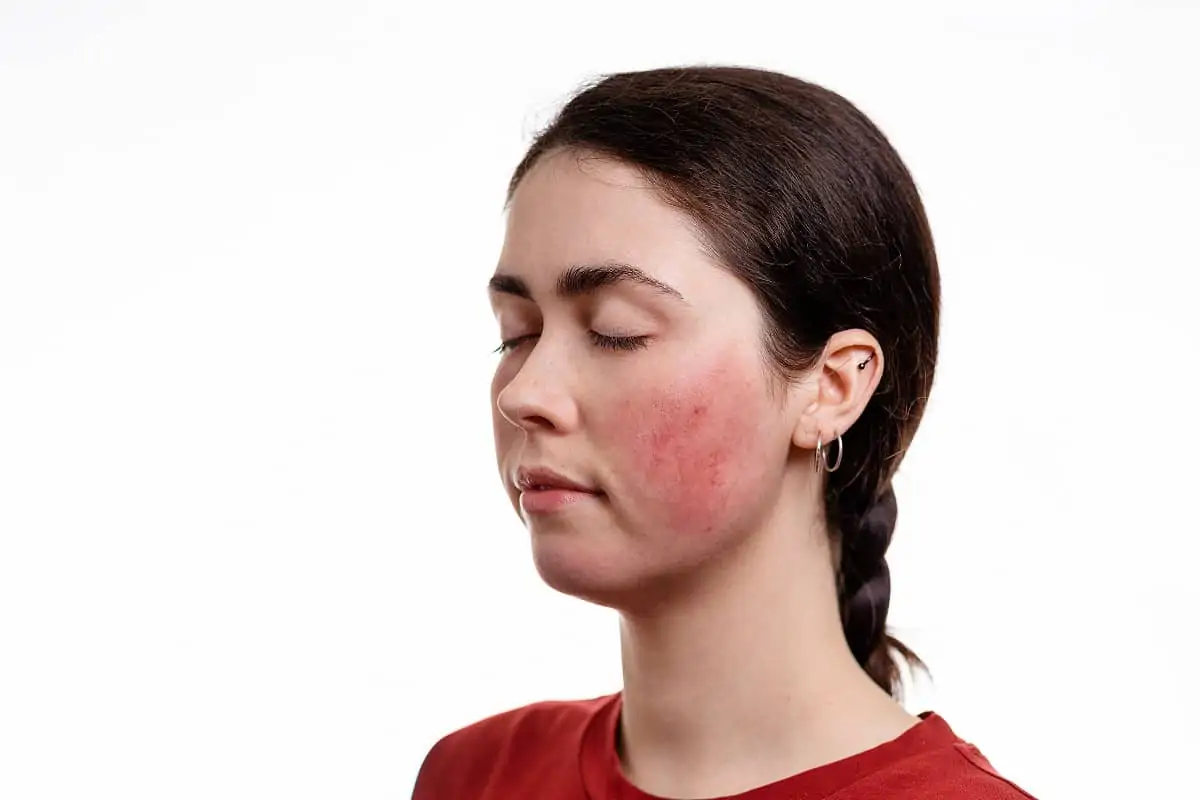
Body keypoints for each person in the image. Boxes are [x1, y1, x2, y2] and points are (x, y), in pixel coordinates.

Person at [413, 65, 1035, 799]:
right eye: (516, 334)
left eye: (615, 331)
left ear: (833, 386)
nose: (525, 394)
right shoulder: (476, 776)